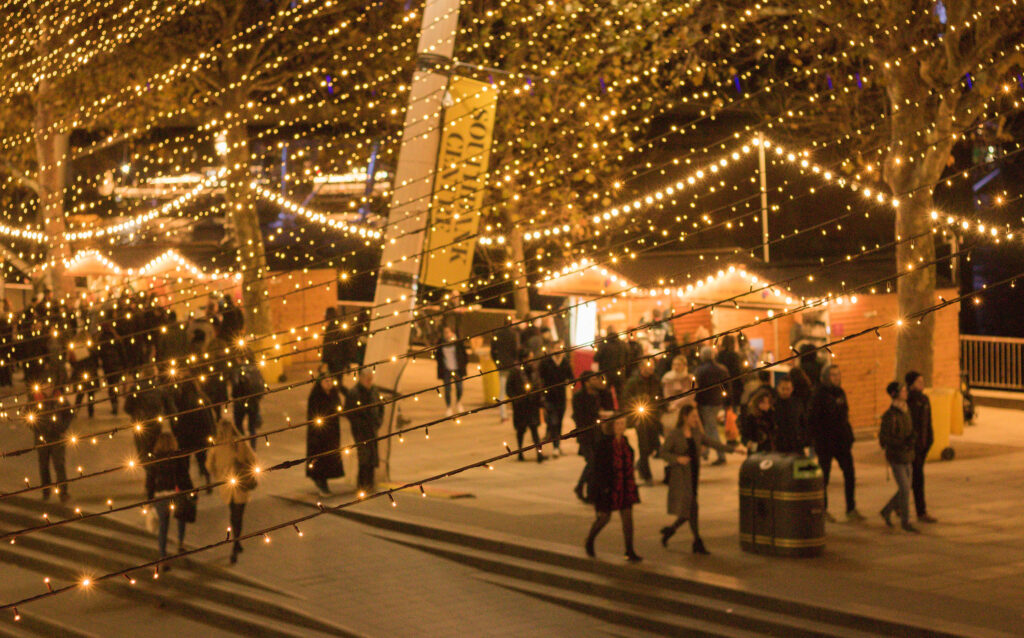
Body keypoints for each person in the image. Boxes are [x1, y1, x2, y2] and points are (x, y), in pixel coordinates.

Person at [659, 405, 738, 554]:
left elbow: (714, 443)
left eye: (697, 416)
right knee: (693, 508)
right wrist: (677, 458)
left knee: (688, 511)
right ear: (685, 417)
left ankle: (670, 531)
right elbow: (663, 452)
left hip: (693, 475)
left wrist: (733, 450)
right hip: (681, 477)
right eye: (694, 416)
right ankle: (697, 542)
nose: (696, 419)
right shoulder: (675, 435)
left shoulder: (696, 433)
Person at [808, 365, 864, 522]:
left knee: (850, 474)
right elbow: (813, 419)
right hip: (825, 442)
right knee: (823, 478)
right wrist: (817, 438)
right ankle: (823, 510)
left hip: (841, 442)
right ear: (826, 377)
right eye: (833, 375)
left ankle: (851, 508)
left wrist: (848, 436)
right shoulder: (819, 394)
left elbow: (844, 415)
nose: (836, 378)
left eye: (838, 374)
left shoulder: (840, 393)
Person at [585, 417, 642, 562]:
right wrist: (602, 488)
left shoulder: (625, 442)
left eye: (623, 423)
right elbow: (598, 468)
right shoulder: (604, 444)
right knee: (604, 518)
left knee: (628, 519)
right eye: (618, 423)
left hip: (625, 486)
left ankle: (629, 550)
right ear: (612, 425)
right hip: (609, 488)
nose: (620, 426)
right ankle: (590, 540)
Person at [206, 418, 259, 564]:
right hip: (241, 484)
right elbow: (254, 459)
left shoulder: (216, 446)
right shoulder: (241, 443)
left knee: (233, 514)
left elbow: (209, 466)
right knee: (238, 515)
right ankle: (236, 543)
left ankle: (237, 542)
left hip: (226, 486)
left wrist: (218, 475)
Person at [145, 431, 193, 565]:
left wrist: (149, 500)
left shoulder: (155, 459)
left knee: (163, 526)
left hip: (161, 495)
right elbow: (184, 475)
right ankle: (180, 543)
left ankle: (163, 555)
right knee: (181, 519)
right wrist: (191, 491)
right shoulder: (178, 457)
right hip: (176, 494)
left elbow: (150, 482)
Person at [878, 382, 920, 533]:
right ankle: (905, 521)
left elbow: (909, 430)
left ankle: (886, 510)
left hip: (908, 454)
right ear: (895, 394)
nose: (906, 393)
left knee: (906, 488)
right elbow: (884, 438)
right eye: (903, 391)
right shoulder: (890, 415)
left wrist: (912, 439)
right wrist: (902, 443)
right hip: (896, 456)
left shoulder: (906, 410)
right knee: (904, 488)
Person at [27, 379, 73, 502]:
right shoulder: (35, 399)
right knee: (43, 466)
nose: (48, 388)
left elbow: (69, 414)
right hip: (41, 438)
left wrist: (62, 427)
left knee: (59, 465)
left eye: (50, 386)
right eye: (46, 386)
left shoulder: (59, 398)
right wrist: (37, 428)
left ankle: (63, 492)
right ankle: (46, 491)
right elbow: (28, 417)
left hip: (57, 437)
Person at [571, 373, 614, 502]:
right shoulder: (579, 396)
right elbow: (579, 416)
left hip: (598, 434)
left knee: (596, 463)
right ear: (586, 382)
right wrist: (597, 415)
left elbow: (609, 407)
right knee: (592, 462)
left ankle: (589, 492)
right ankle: (581, 487)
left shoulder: (600, 394)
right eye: (594, 379)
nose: (597, 381)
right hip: (585, 434)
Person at [124, 364, 178, 461]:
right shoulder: (160, 389)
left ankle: (148, 470)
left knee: (143, 451)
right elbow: (171, 408)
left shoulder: (135, 388)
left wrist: (135, 413)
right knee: (154, 450)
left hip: (140, 424)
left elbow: (127, 408)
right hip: (155, 424)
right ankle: (153, 471)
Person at [305, 372, 346, 494]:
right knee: (320, 458)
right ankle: (321, 481)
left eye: (330, 381)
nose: (329, 384)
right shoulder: (315, 396)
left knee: (330, 458)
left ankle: (324, 481)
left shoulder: (334, 394)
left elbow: (338, 407)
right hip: (319, 434)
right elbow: (313, 415)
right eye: (326, 381)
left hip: (332, 433)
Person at [905, 371, 937, 524]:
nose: (922, 384)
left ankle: (898, 506)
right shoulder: (909, 400)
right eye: (918, 381)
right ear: (911, 384)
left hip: (923, 445)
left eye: (922, 381)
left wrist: (929, 440)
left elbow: (927, 423)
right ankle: (921, 511)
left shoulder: (924, 399)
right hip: (914, 446)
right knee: (916, 479)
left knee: (912, 479)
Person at [623, 360, 663, 485]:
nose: (650, 369)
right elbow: (626, 398)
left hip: (653, 416)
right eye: (647, 367)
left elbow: (660, 396)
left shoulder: (656, 381)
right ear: (641, 367)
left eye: (651, 367)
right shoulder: (633, 382)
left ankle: (640, 465)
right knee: (643, 446)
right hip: (639, 418)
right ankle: (646, 475)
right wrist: (640, 399)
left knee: (654, 445)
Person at [173, 378, 216, 486]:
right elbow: (209, 418)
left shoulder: (180, 401)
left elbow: (176, 419)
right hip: (201, 436)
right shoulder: (202, 399)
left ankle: (188, 486)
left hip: (185, 437)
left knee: (185, 463)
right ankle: (207, 481)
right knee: (202, 460)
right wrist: (212, 433)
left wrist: (177, 433)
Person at [347, 369, 384, 493]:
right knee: (364, 457)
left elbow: (380, 407)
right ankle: (362, 484)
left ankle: (370, 482)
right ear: (361, 378)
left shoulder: (374, 390)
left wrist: (378, 422)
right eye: (368, 379)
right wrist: (359, 425)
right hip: (361, 431)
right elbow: (350, 413)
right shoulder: (354, 393)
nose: (370, 382)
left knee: (372, 457)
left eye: (371, 379)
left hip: (372, 429)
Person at [507, 350, 545, 462]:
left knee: (534, 430)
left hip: (532, 405)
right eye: (530, 357)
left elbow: (538, 384)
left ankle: (539, 454)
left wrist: (539, 397)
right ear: (524, 359)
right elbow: (509, 389)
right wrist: (516, 399)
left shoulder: (534, 370)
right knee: (520, 430)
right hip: (520, 406)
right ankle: (520, 452)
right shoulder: (515, 371)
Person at [694, 346, 729, 465]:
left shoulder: (700, 370)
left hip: (706, 403)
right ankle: (706, 452)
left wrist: (696, 402)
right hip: (718, 402)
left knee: (711, 429)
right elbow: (727, 386)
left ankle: (721, 455)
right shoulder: (722, 369)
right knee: (710, 428)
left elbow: (697, 388)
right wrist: (727, 401)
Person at [539, 342, 574, 455]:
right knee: (554, 421)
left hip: (561, 397)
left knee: (559, 422)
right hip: (549, 397)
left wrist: (569, 382)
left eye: (560, 347)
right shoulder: (546, 362)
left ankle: (557, 444)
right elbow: (540, 377)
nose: (558, 350)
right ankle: (556, 446)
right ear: (552, 349)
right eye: (556, 348)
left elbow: (571, 376)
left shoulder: (565, 362)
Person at [231, 350, 266, 446]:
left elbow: (235, 385)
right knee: (252, 428)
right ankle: (252, 449)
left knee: (238, 426)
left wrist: (234, 397)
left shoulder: (237, 370)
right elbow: (262, 386)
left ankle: (243, 447)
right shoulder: (255, 369)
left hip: (240, 402)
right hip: (253, 401)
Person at [490, 318, 519, 423]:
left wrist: (496, 362)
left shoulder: (497, 334)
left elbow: (492, 351)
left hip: (501, 366)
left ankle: (503, 415)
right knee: (514, 390)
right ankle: (516, 412)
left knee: (502, 391)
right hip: (511, 366)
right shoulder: (513, 334)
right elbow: (515, 350)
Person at [435, 325, 468, 417]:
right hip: (446, 370)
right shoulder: (441, 343)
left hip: (457, 370)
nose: (447, 334)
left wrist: (463, 367)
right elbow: (438, 356)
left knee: (459, 388)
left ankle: (458, 402)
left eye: (448, 332)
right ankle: (448, 407)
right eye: (445, 332)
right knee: (447, 390)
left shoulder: (457, 342)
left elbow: (464, 356)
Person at [95, 322, 126, 415]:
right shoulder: (116, 338)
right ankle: (115, 402)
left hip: (107, 365)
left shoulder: (101, 339)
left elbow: (98, 353)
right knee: (115, 384)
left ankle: (114, 403)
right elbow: (122, 352)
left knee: (111, 385)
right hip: (117, 365)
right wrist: (124, 365)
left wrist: (98, 363)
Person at [594, 327, 629, 406]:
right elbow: (628, 357)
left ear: (607, 332)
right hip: (620, 374)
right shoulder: (623, 344)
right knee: (620, 393)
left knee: (606, 394)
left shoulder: (603, 344)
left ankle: (609, 409)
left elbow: (596, 358)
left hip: (606, 374)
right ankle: (621, 411)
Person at [773, 377, 807, 453]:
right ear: (778, 388)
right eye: (783, 389)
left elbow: (803, 423)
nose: (785, 391)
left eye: (787, 389)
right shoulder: (773, 404)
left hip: (795, 444)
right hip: (779, 445)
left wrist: (803, 439)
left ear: (792, 389)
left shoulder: (797, 404)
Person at [739, 387, 776, 452]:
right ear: (757, 403)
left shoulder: (773, 416)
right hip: (757, 452)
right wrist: (749, 444)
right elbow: (744, 437)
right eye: (763, 402)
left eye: (768, 403)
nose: (766, 405)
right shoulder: (752, 418)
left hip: (771, 451)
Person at [715, 335, 745, 410]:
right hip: (734, 389)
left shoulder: (719, 356)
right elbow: (738, 373)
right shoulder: (735, 356)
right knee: (734, 415)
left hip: (722, 389)